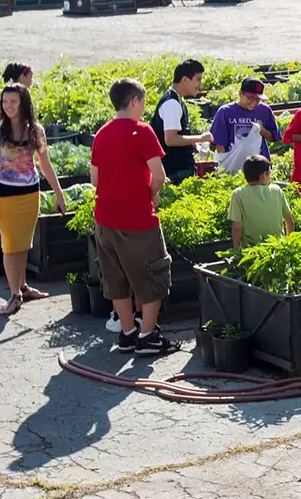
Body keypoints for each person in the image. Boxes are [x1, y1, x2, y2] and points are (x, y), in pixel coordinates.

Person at [90, 78, 177, 355]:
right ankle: (148, 335)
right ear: (134, 101)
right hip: (137, 218)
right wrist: (150, 193)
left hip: (105, 217)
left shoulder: (102, 133)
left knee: (115, 277)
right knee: (153, 273)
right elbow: (160, 175)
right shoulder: (142, 131)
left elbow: (94, 179)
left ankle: (127, 333)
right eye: (143, 102)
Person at [0, 84, 66, 317]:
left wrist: (59, 195)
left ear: (24, 103)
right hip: (5, 194)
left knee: (24, 243)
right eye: (5, 101)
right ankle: (14, 295)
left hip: (31, 192)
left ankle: (23, 287)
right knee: (10, 245)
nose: (8, 106)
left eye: (14, 102)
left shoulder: (36, 130)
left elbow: (45, 165)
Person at [151, 59, 211, 184]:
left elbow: (180, 133)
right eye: (198, 79)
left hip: (178, 169)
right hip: (174, 171)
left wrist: (195, 146)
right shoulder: (171, 103)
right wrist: (200, 138)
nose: (200, 84)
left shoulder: (177, 99)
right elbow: (171, 139)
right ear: (185, 80)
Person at [228, 155, 294, 247]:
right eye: (270, 173)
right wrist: (288, 244)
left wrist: (237, 251)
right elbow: (289, 220)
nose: (271, 177)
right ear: (263, 176)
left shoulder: (238, 194)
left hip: (252, 249)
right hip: (277, 246)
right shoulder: (277, 190)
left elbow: (237, 227)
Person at [210, 78, 280, 161]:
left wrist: (262, 130)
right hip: (233, 163)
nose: (254, 102)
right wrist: (224, 165)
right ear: (240, 94)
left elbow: (274, 137)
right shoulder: (225, 112)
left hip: (259, 164)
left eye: (257, 99)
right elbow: (219, 143)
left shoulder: (265, 110)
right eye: (250, 98)